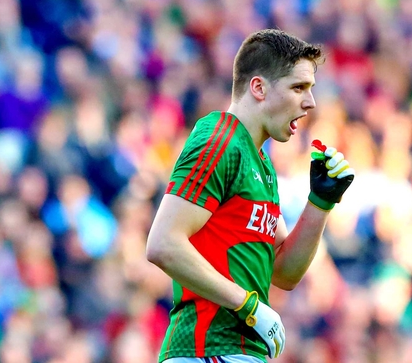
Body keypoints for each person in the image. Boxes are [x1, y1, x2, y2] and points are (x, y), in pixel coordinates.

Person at [145, 30, 355, 362]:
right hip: (208, 349)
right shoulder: (219, 140)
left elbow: (284, 272)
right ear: (258, 88)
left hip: (235, 351)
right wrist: (248, 306)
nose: (310, 102)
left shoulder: (262, 163)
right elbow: (163, 244)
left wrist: (321, 202)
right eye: (298, 88)